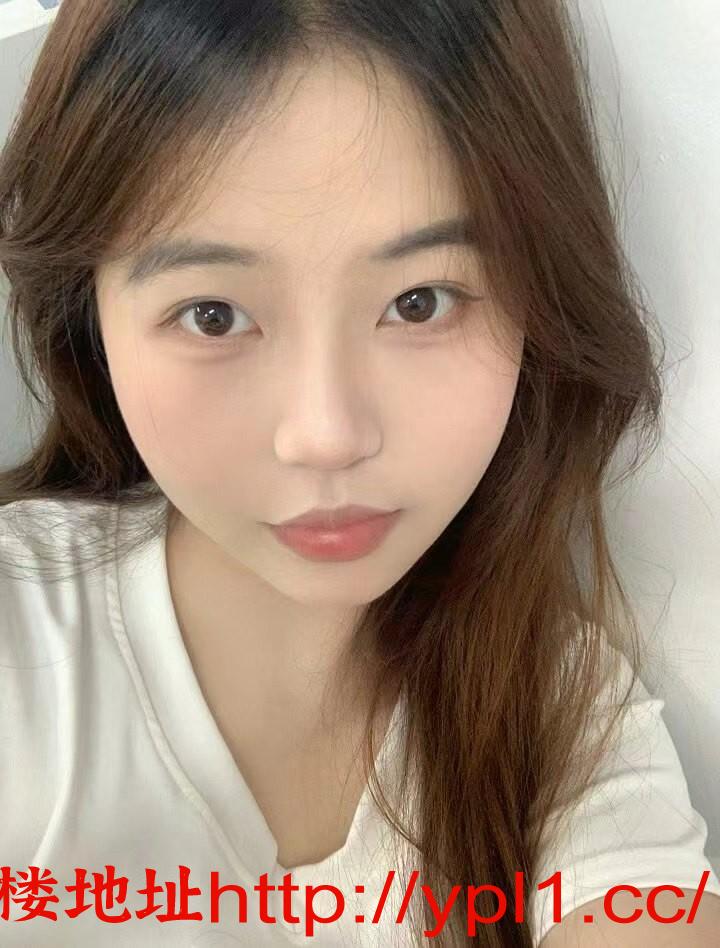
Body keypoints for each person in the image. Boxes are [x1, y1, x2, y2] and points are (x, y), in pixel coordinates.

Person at [0, 0, 718, 945]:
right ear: (90, 319)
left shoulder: (562, 713)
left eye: (421, 302)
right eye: (214, 314)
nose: (327, 436)